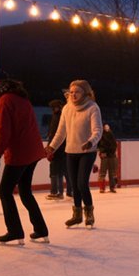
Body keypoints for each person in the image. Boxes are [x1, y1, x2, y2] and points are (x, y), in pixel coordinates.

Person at [0, 70, 49, 245]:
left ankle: (14, 231)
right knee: (25, 191)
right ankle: (41, 229)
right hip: (33, 151)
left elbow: (3, 133)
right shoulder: (21, 96)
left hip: (20, 153)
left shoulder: (4, 100)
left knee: (5, 191)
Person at [47, 79, 103, 229]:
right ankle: (77, 215)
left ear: (85, 92)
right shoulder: (67, 108)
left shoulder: (92, 107)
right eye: (71, 92)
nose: (73, 95)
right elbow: (61, 132)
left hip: (87, 151)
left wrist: (91, 142)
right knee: (74, 185)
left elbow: (98, 130)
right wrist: (51, 147)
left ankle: (89, 213)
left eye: (77, 92)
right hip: (70, 152)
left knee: (81, 183)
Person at [45, 99, 68, 200]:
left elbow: (55, 134)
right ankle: (60, 192)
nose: (53, 109)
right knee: (60, 171)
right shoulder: (60, 116)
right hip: (60, 148)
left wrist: (51, 146)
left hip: (57, 148)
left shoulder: (57, 117)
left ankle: (56, 192)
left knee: (55, 171)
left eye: (54, 107)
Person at [97, 123, 119, 193]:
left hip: (109, 155)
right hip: (108, 155)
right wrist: (102, 152)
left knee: (108, 173)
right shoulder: (108, 134)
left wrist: (102, 152)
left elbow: (114, 145)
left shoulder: (103, 135)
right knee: (108, 173)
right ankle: (106, 188)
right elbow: (114, 145)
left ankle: (106, 188)